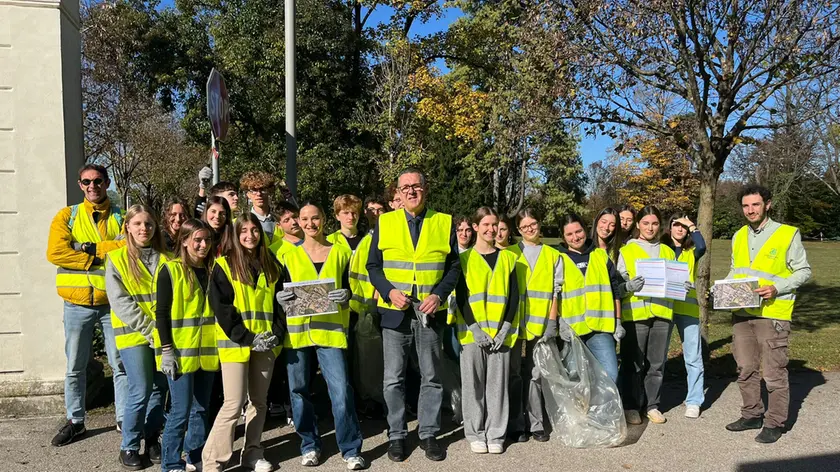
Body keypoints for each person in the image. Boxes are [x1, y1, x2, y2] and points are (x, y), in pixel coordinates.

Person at [367, 168, 461, 463]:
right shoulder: (386, 222)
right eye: (405, 187)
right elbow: (373, 267)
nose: (411, 191)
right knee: (393, 378)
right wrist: (388, 291)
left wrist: (439, 295)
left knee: (431, 376)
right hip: (396, 312)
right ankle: (396, 434)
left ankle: (429, 433)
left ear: (425, 188)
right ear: (398, 192)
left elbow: (454, 267)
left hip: (428, 312)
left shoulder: (443, 222)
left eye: (416, 186)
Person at [276, 202, 366, 470]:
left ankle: (350, 449)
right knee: (299, 391)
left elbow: (352, 288)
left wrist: (347, 295)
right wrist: (279, 297)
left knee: (340, 391)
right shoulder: (285, 255)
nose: (310, 223)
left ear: (324, 219)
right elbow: (276, 291)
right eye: (304, 219)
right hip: (298, 335)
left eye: (315, 218)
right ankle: (309, 445)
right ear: (298, 222)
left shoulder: (340, 253)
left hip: (331, 333)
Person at [722, 184, 811, 444]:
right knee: (745, 367)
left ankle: (775, 422)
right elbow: (735, 270)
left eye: (755, 205)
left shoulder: (786, 234)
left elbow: (803, 271)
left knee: (773, 372)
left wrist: (776, 287)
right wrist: (723, 289)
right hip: (742, 311)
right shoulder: (738, 235)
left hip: (773, 313)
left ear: (767, 204)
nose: (750, 210)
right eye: (746, 206)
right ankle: (751, 414)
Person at [47, 164, 128, 447]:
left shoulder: (122, 216)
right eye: (86, 182)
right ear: (80, 185)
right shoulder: (67, 216)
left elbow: (128, 247)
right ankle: (76, 421)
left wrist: (85, 247)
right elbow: (55, 252)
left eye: (98, 181)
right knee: (75, 366)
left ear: (107, 183)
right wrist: (97, 256)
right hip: (76, 303)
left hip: (113, 302)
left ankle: (123, 418)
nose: (92, 186)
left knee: (120, 363)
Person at [202, 213, 286, 472]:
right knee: (233, 403)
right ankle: (213, 460)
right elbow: (222, 309)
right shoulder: (224, 265)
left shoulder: (272, 264)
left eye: (255, 230)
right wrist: (248, 338)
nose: (250, 235)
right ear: (236, 236)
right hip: (236, 344)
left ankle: (252, 453)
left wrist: (276, 334)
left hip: (266, 343)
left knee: (259, 402)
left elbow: (282, 304)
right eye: (244, 231)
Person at [106, 205, 171, 469]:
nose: (144, 228)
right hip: (134, 334)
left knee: (159, 388)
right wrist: (150, 329)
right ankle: (130, 445)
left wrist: (162, 332)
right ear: (128, 228)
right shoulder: (117, 258)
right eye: (138, 224)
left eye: (149, 224)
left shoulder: (166, 258)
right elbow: (120, 302)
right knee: (140, 389)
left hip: (162, 334)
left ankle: (152, 438)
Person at [155, 219, 220, 472]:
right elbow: (161, 313)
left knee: (201, 410)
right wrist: (166, 350)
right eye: (198, 240)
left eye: (207, 240)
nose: (203, 245)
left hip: (208, 351)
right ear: (184, 241)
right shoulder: (170, 270)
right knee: (180, 411)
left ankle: (194, 456)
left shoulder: (214, 269)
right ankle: (171, 462)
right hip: (180, 353)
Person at [455, 207, 520, 454]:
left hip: (500, 334)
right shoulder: (463, 260)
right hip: (472, 333)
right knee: (473, 385)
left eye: (495, 225)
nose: (491, 230)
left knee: (497, 385)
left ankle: (495, 434)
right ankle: (475, 432)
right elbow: (461, 297)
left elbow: (514, 296)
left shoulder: (509, 259)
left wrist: (505, 328)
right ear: (475, 227)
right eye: (486, 225)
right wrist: (475, 328)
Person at [506, 208, 562, 444]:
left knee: (536, 373)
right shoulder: (509, 253)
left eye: (533, 224)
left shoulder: (552, 254)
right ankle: (516, 423)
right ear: (518, 230)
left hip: (540, 322)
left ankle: (536, 423)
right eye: (525, 226)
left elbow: (555, 291)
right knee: (514, 374)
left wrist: (552, 321)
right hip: (514, 323)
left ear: (540, 224)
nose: (530, 229)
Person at [617, 205, 675, 425]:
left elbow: (674, 280)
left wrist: (681, 285)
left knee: (656, 364)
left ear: (660, 225)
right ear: (638, 225)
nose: (650, 228)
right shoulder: (627, 250)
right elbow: (619, 286)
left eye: (654, 223)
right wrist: (628, 287)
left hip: (662, 313)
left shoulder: (668, 251)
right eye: (645, 223)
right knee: (633, 364)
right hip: (636, 314)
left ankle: (652, 405)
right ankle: (631, 405)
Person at [558, 214, 624, 383]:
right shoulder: (557, 259)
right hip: (572, 330)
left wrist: (617, 320)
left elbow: (615, 290)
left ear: (585, 230)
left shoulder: (600, 256)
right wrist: (559, 323)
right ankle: (581, 410)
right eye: (569, 234)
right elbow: (553, 294)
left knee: (609, 374)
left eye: (578, 231)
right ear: (563, 237)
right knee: (574, 377)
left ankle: (601, 409)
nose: (575, 237)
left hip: (601, 328)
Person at [662, 213, 707, 419]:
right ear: (669, 227)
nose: (680, 229)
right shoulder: (661, 249)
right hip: (663, 308)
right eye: (676, 225)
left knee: (693, 356)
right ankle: (654, 398)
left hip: (687, 308)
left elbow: (702, 246)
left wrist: (693, 226)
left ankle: (694, 400)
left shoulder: (692, 251)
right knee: (658, 357)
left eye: (683, 226)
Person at [444, 216, 475, 362]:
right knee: (452, 351)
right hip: (449, 310)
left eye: (468, 230)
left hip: (469, 309)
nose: (464, 234)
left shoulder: (475, 254)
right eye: (460, 230)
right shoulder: (448, 254)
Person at [240, 171, 284, 244]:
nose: (259, 194)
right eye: (254, 190)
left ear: (270, 191)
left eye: (262, 189)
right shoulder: (240, 222)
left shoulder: (282, 220)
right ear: (248, 194)